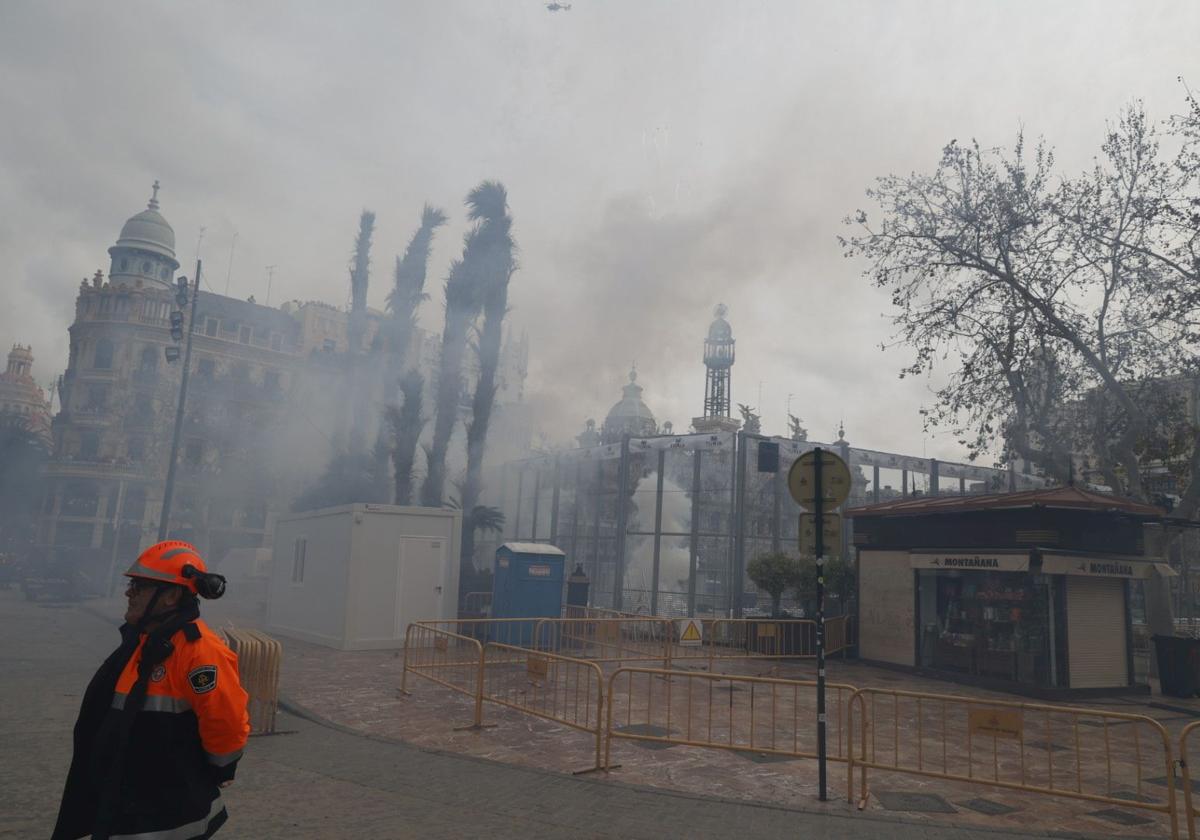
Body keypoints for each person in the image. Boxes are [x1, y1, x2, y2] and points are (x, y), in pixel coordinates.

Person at [53, 541, 250, 840]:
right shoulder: (144, 642)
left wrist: (221, 770)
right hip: (126, 802)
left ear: (171, 596)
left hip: (166, 817)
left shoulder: (199, 652)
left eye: (139, 586)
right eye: (133, 585)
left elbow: (226, 721)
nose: (128, 593)